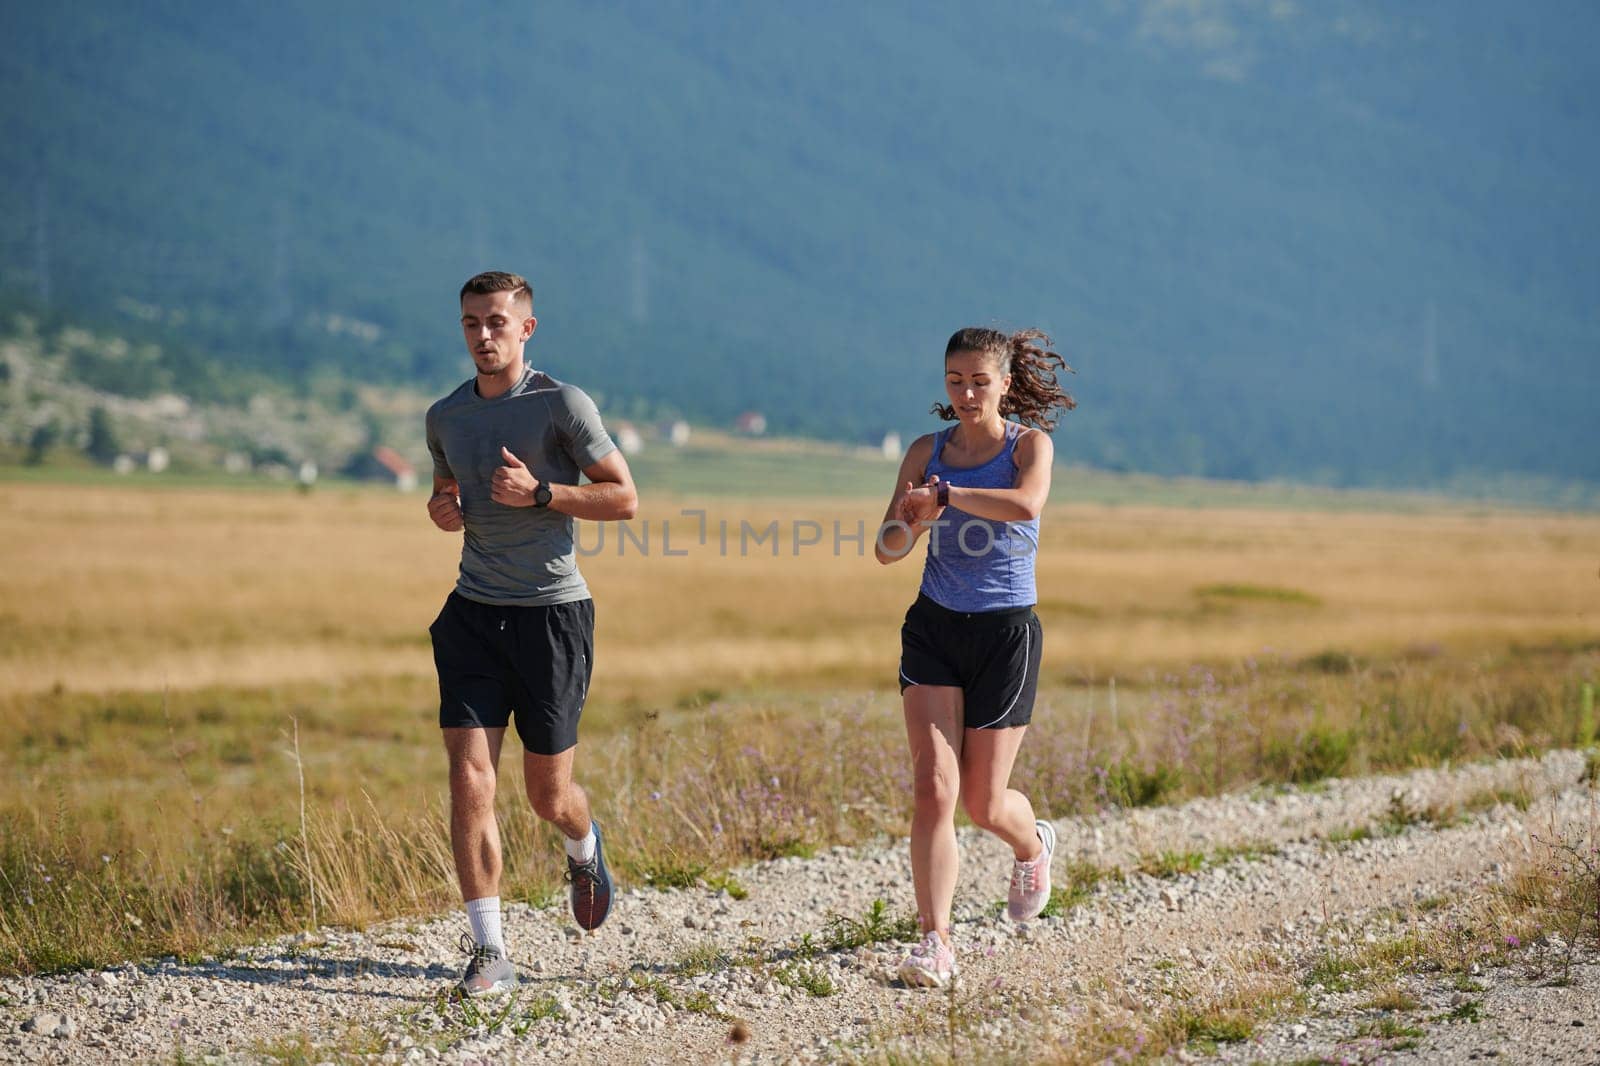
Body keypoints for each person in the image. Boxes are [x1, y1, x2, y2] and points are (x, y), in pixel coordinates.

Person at [424, 271, 638, 998]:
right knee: (469, 778)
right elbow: (446, 487)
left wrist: (545, 493)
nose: (482, 336)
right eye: (470, 324)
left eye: (495, 322)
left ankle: (583, 844)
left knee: (549, 795)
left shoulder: (561, 405)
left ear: (526, 329)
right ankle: (489, 952)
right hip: (473, 614)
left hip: (552, 618)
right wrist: (443, 507)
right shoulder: (446, 416)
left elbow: (624, 496)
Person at [874, 326, 1074, 988]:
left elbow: (1026, 505)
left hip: (1005, 634)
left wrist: (950, 497)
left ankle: (1030, 844)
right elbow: (888, 547)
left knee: (985, 805)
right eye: (954, 380)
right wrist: (916, 521)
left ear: (1005, 384)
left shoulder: (1029, 447)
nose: (965, 393)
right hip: (934, 627)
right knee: (935, 786)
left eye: (979, 381)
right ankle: (936, 943)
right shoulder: (925, 451)